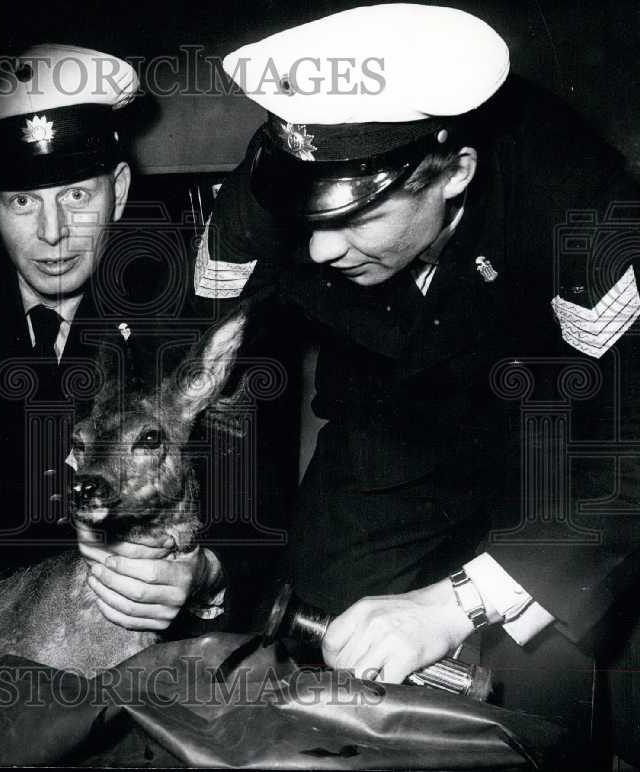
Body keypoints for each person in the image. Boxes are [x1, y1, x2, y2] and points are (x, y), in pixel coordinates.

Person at [194, 3, 640, 751]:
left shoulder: (579, 207)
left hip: (560, 439)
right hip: (393, 417)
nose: (320, 251)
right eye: (310, 219)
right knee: (322, 644)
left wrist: (458, 602)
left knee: (534, 704)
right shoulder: (271, 187)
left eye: (357, 218)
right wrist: (184, 542)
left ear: (455, 173)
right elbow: (195, 375)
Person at [0, 43, 226, 624]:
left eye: (75, 195)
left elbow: (245, 503)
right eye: (23, 200)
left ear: (118, 191)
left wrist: (206, 575)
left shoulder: (177, 326)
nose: (53, 232)